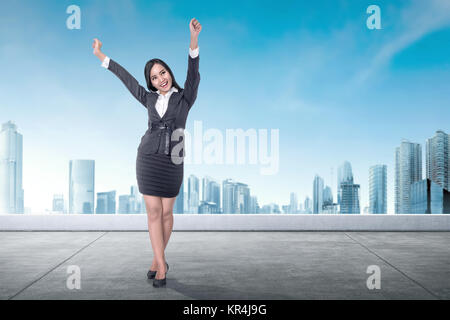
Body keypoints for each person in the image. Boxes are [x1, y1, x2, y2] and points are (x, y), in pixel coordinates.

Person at [92, 18, 202, 287]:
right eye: (154, 77)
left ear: (169, 73)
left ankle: (157, 259)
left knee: (166, 213)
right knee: (153, 212)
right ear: (151, 83)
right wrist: (101, 56)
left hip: (173, 159)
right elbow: (127, 79)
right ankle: (161, 265)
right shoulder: (149, 98)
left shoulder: (185, 97)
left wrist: (193, 40)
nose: (160, 79)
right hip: (148, 158)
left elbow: (193, 73)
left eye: (162, 72)